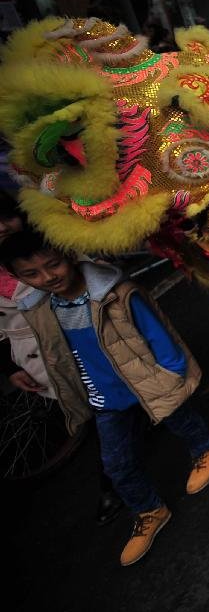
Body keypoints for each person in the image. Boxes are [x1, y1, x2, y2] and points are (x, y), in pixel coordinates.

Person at [0, 230, 209, 567]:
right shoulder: (41, 309)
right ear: (18, 279)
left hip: (146, 380)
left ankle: (205, 448)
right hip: (105, 397)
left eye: (53, 265)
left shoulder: (115, 292)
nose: (46, 278)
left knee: (180, 419)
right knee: (116, 465)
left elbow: (154, 331)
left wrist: (172, 374)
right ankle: (149, 510)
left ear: (68, 255)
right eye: (31, 275)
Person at [0, 193, 125, 524]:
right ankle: (118, 478)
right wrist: (9, 367)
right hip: (45, 359)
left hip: (93, 338)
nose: (1, 228)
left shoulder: (53, 240)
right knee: (95, 410)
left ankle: (115, 481)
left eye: (5, 218)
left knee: (110, 404)